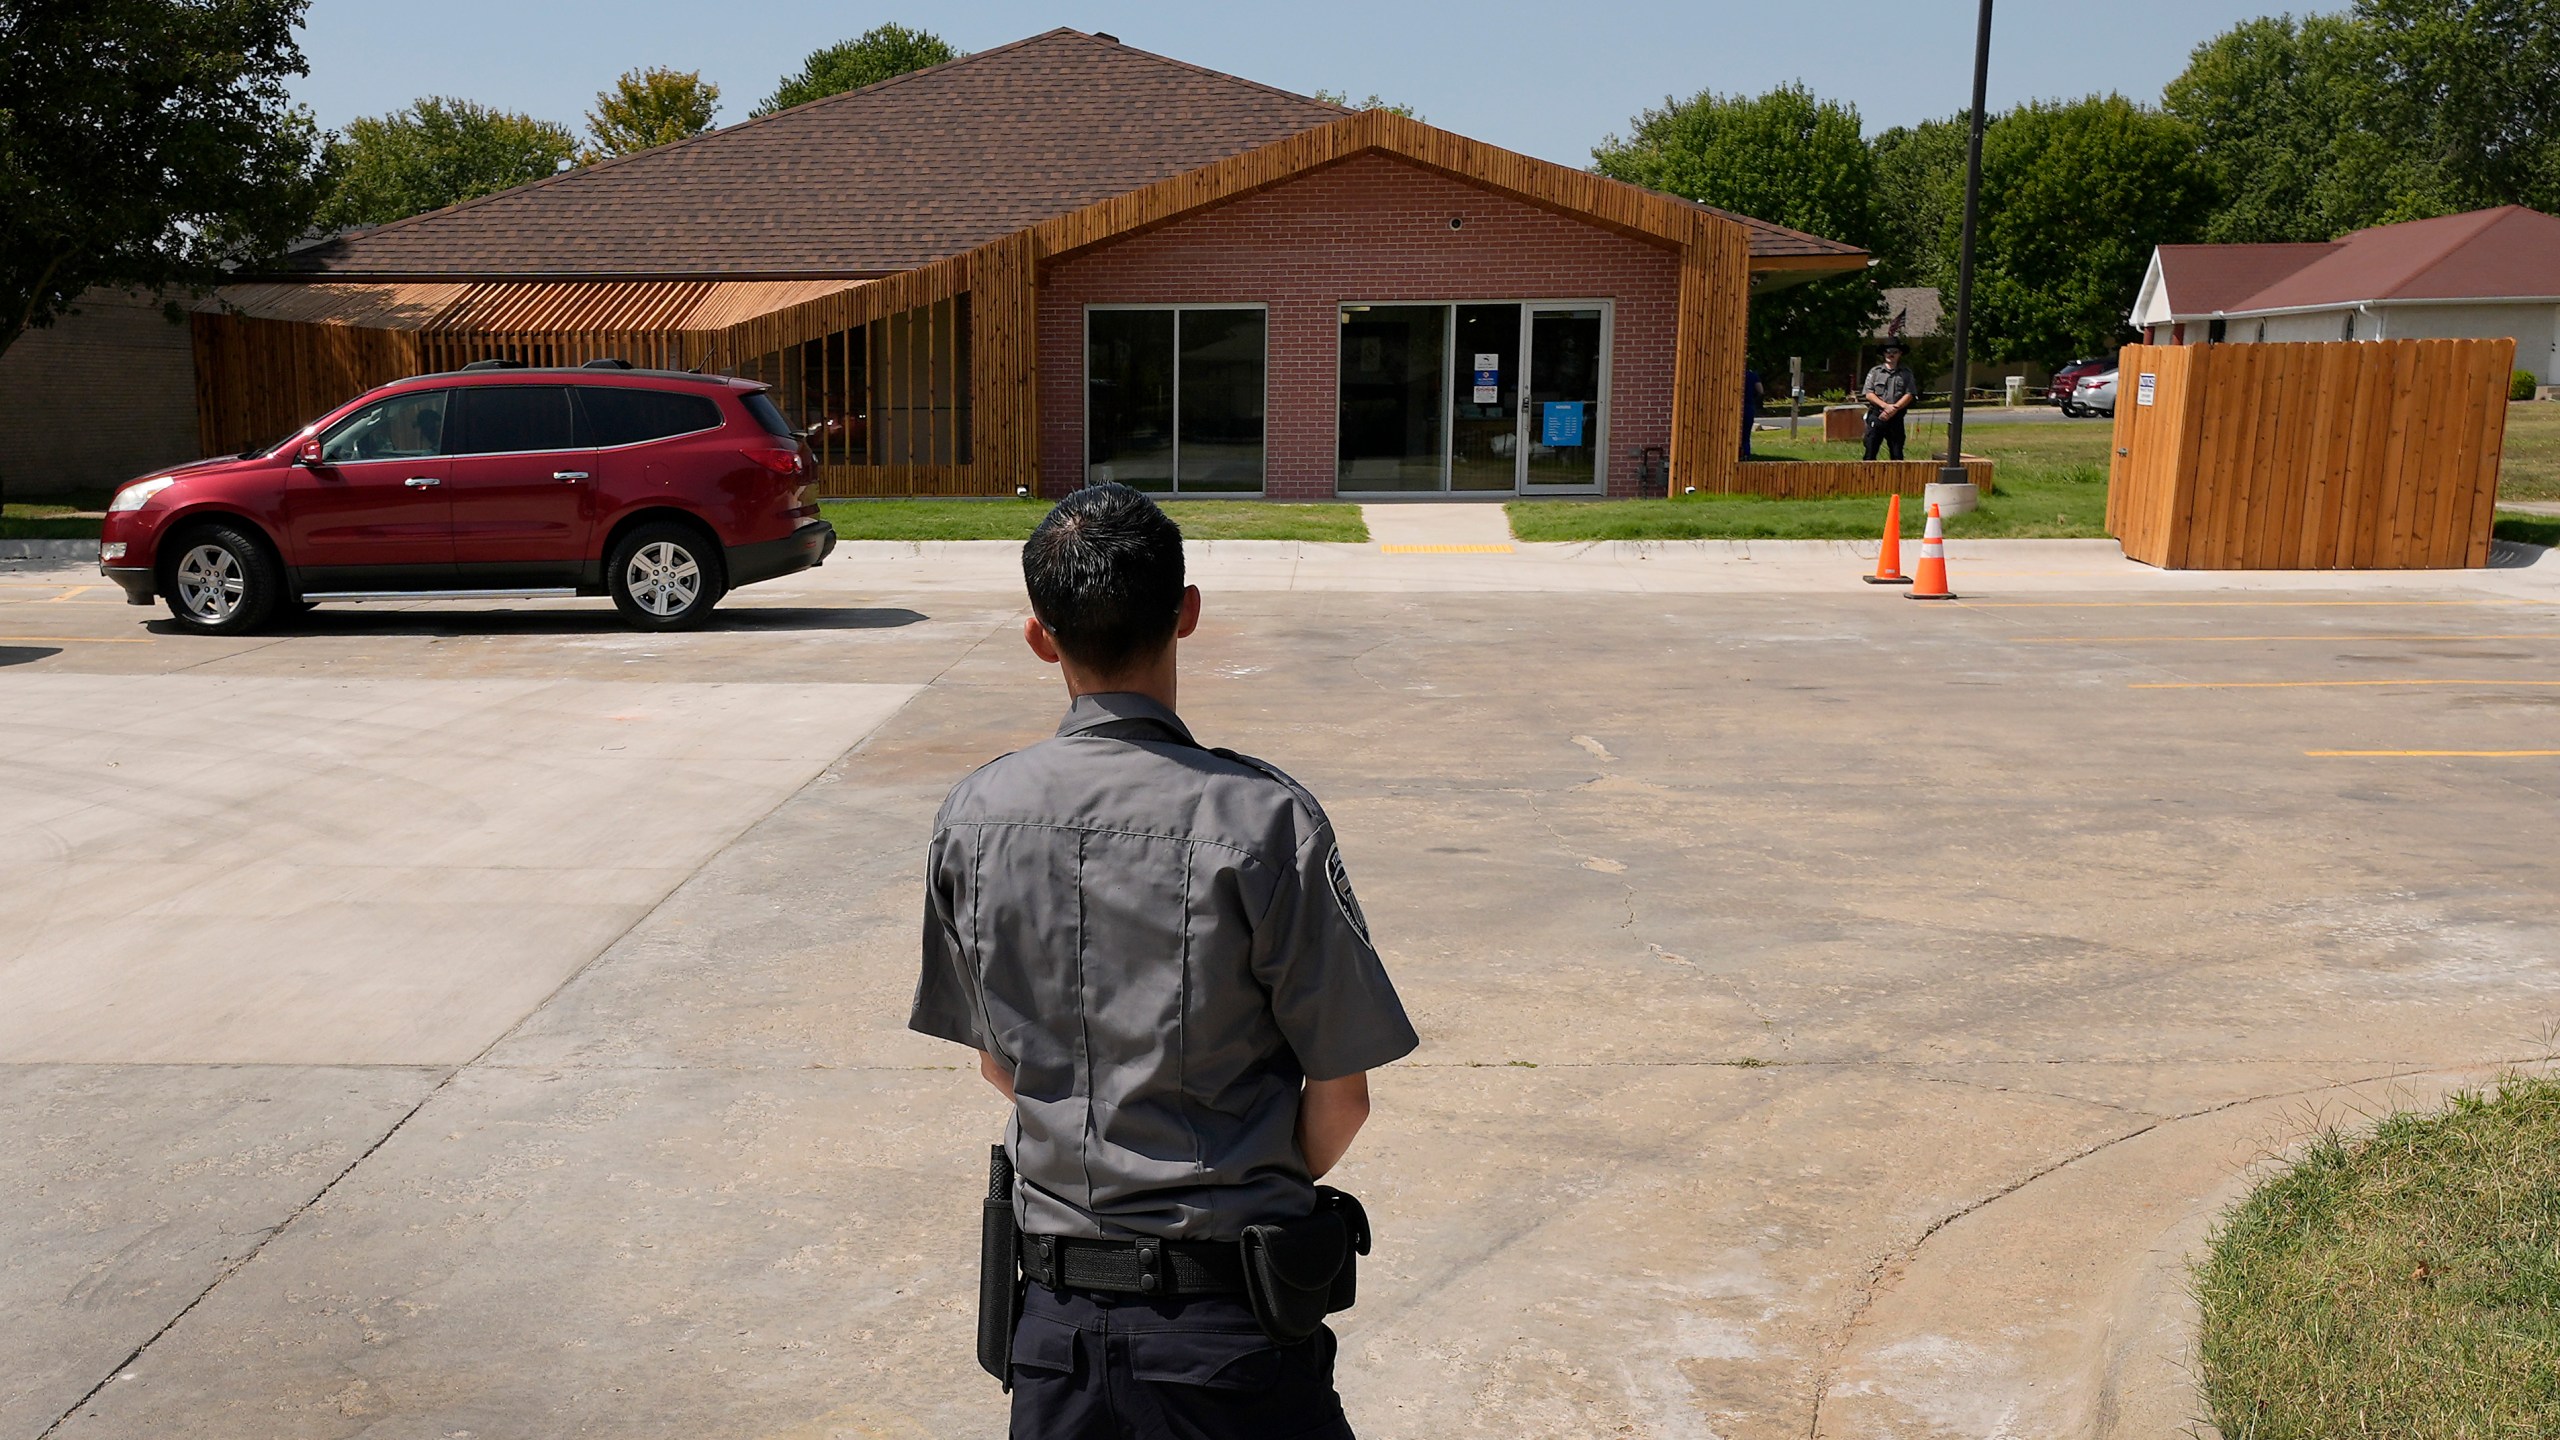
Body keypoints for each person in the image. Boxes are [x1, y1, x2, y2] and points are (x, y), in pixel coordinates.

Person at [912, 483, 1419, 1440]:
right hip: (1228, 1332)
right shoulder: (1264, 821)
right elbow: (1341, 1097)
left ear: (1039, 636)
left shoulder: (973, 818)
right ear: (1186, 612)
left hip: (1052, 1339)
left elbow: (997, 1064)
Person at [1860, 342, 1919, 460]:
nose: (1891, 354)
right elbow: (1869, 393)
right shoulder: (1875, 372)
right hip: (1877, 416)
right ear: (1883, 353)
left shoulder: (1906, 373)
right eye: (1888, 351)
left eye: (1894, 352)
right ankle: (1867, 477)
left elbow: (1910, 394)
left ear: (1900, 354)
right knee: (1870, 452)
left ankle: (1897, 478)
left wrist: (1894, 409)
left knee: (1897, 454)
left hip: (1896, 417)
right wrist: (1885, 406)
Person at [1740, 365, 1764, 459]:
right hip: (1748, 406)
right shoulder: (1752, 376)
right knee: (1746, 435)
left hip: (1734, 406)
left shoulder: (1733, 375)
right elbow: (1761, 391)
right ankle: (1746, 454)